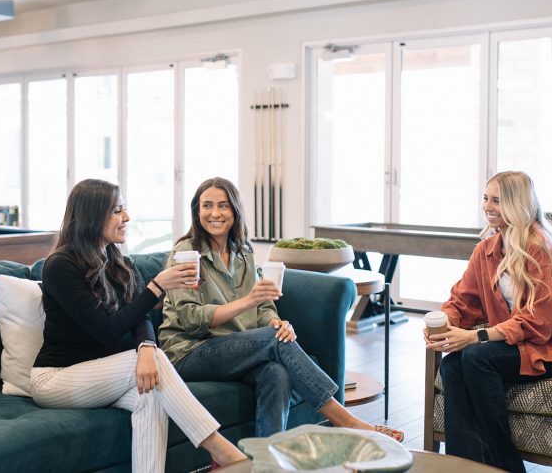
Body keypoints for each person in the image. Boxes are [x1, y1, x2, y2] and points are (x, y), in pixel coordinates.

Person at [159, 177, 404, 441]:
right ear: (197, 212)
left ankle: (268, 461)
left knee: (276, 373)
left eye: (223, 206)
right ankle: (345, 421)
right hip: (188, 352)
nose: (215, 213)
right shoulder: (185, 254)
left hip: (232, 349)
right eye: (207, 206)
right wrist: (250, 304)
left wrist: (275, 322)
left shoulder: (242, 253)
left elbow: (263, 305)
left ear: (235, 211)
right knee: (273, 342)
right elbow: (190, 320)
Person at [30, 179, 246, 473]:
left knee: (151, 396)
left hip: (104, 374)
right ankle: (225, 453)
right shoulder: (60, 265)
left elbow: (139, 318)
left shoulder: (117, 261)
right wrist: (157, 287)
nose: (127, 218)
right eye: (117, 210)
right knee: (154, 367)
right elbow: (105, 329)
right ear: (93, 216)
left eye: (125, 209)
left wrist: (145, 347)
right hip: (56, 379)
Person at [424, 171, 552, 473]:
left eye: (497, 200)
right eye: (486, 198)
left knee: (474, 356)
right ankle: (464, 467)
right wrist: (445, 321)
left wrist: (475, 337)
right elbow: (464, 300)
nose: (488, 206)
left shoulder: (541, 249)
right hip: (513, 344)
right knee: (451, 365)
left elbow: (538, 324)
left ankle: (507, 467)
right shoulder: (486, 249)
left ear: (517, 204)